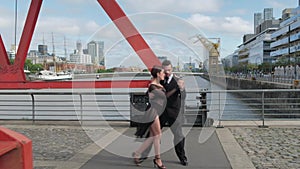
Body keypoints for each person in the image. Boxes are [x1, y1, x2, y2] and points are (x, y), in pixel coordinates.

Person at [140, 60, 188, 166]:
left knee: (178, 136)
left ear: (172, 69)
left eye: (169, 70)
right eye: (165, 71)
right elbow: (149, 92)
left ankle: (182, 157)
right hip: (160, 112)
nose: (167, 73)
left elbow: (183, 97)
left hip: (174, 113)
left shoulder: (178, 80)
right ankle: (143, 155)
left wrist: (182, 89)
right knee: (152, 134)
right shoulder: (159, 80)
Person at [132, 65, 167, 169]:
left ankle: (137, 153)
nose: (164, 75)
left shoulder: (157, 85)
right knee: (157, 135)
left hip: (156, 111)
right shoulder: (152, 86)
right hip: (153, 112)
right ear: (158, 74)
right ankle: (158, 159)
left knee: (153, 136)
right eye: (163, 73)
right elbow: (164, 96)